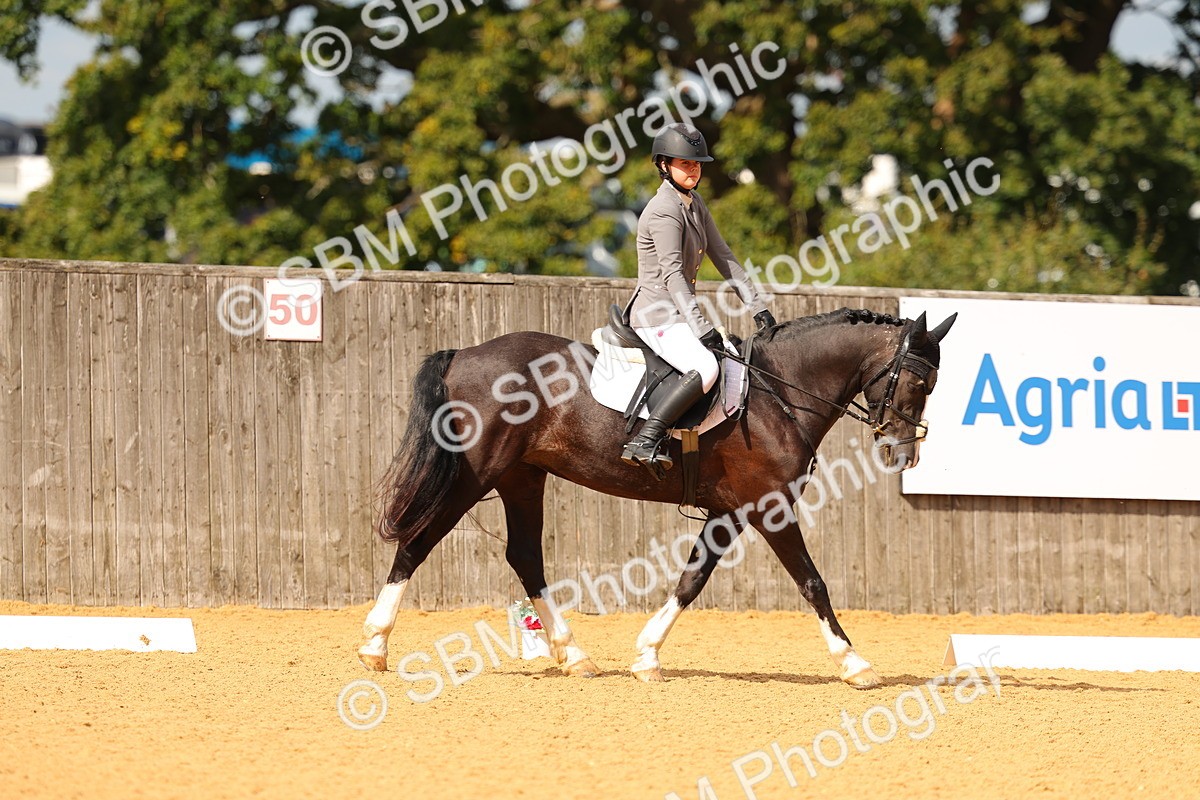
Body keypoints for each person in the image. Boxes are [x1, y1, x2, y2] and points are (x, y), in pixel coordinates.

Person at [620, 122, 776, 478]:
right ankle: (646, 439)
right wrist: (701, 326)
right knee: (706, 368)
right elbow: (673, 274)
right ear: (664, 165)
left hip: (677, 313)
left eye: (697, 164)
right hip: (656, 315)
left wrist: (758, 306)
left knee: (733, 362)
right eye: (685, 163)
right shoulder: (663, 210)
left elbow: (724, 257)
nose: (693, 170)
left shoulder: (694, 203)